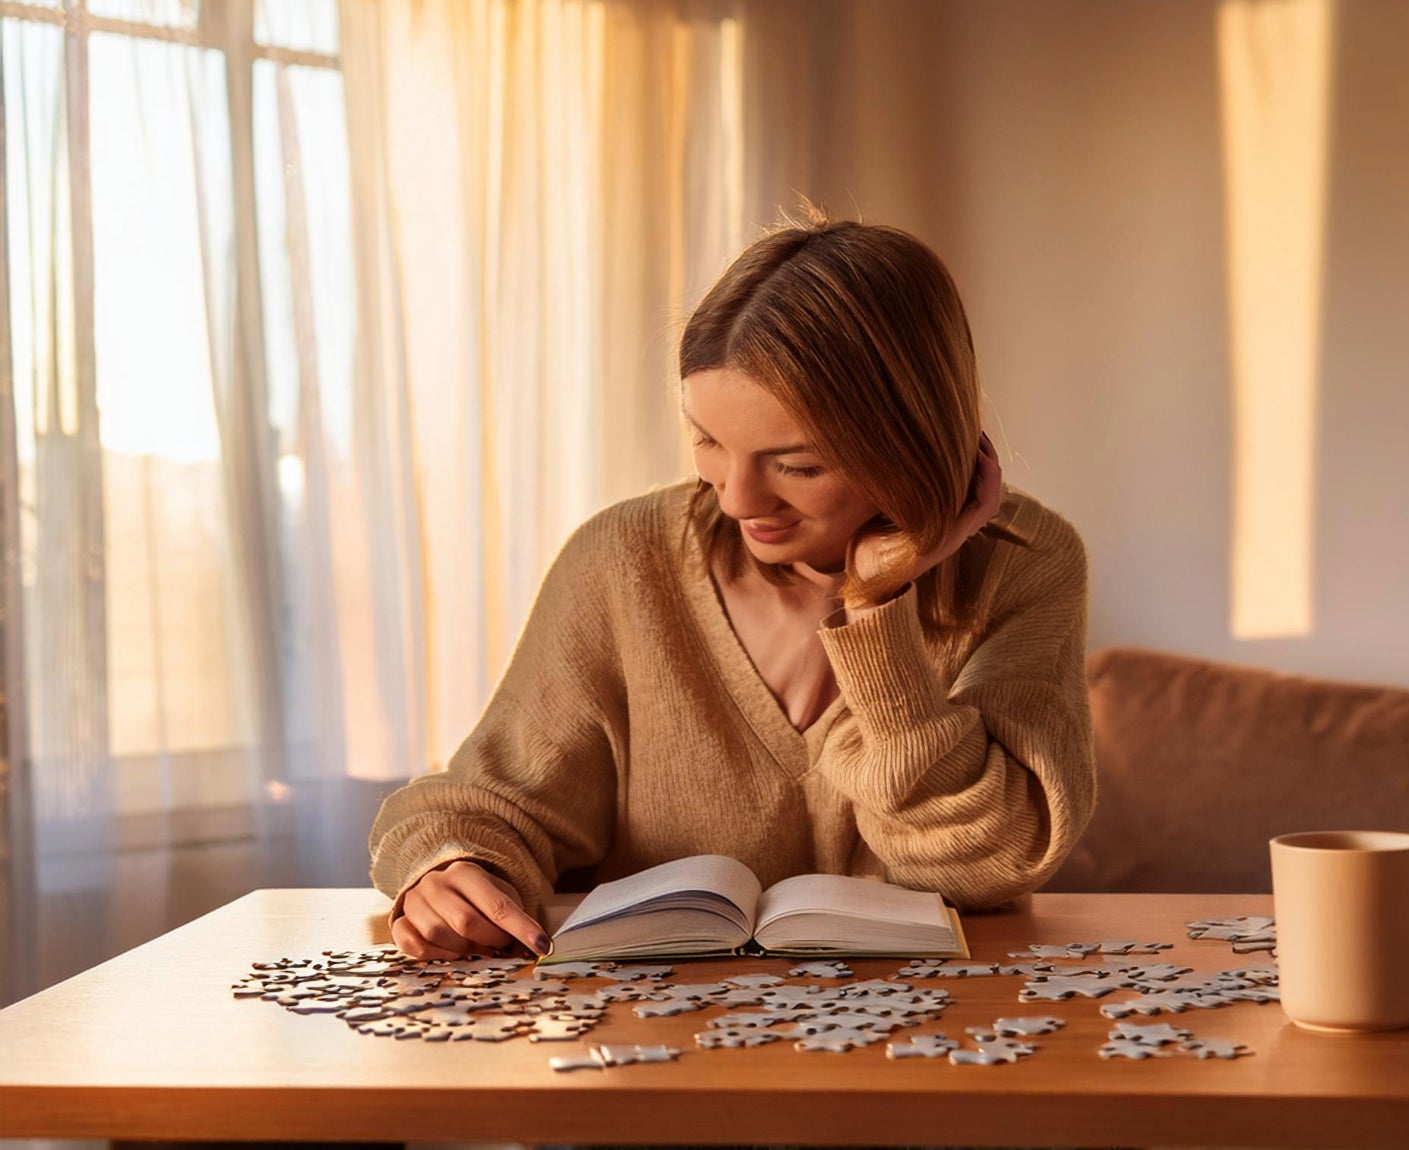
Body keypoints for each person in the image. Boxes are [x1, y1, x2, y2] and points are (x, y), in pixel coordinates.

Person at [369, 210, 1094, 960]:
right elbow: (488, 802)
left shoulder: (1027, 565)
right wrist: (456, 865)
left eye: (798, 465)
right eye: (708, 440)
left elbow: (986, 864)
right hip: (646, 1045)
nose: (739, 499)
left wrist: (874, 610)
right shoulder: (622, 561)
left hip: (935, 1046)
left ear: (911, 440)